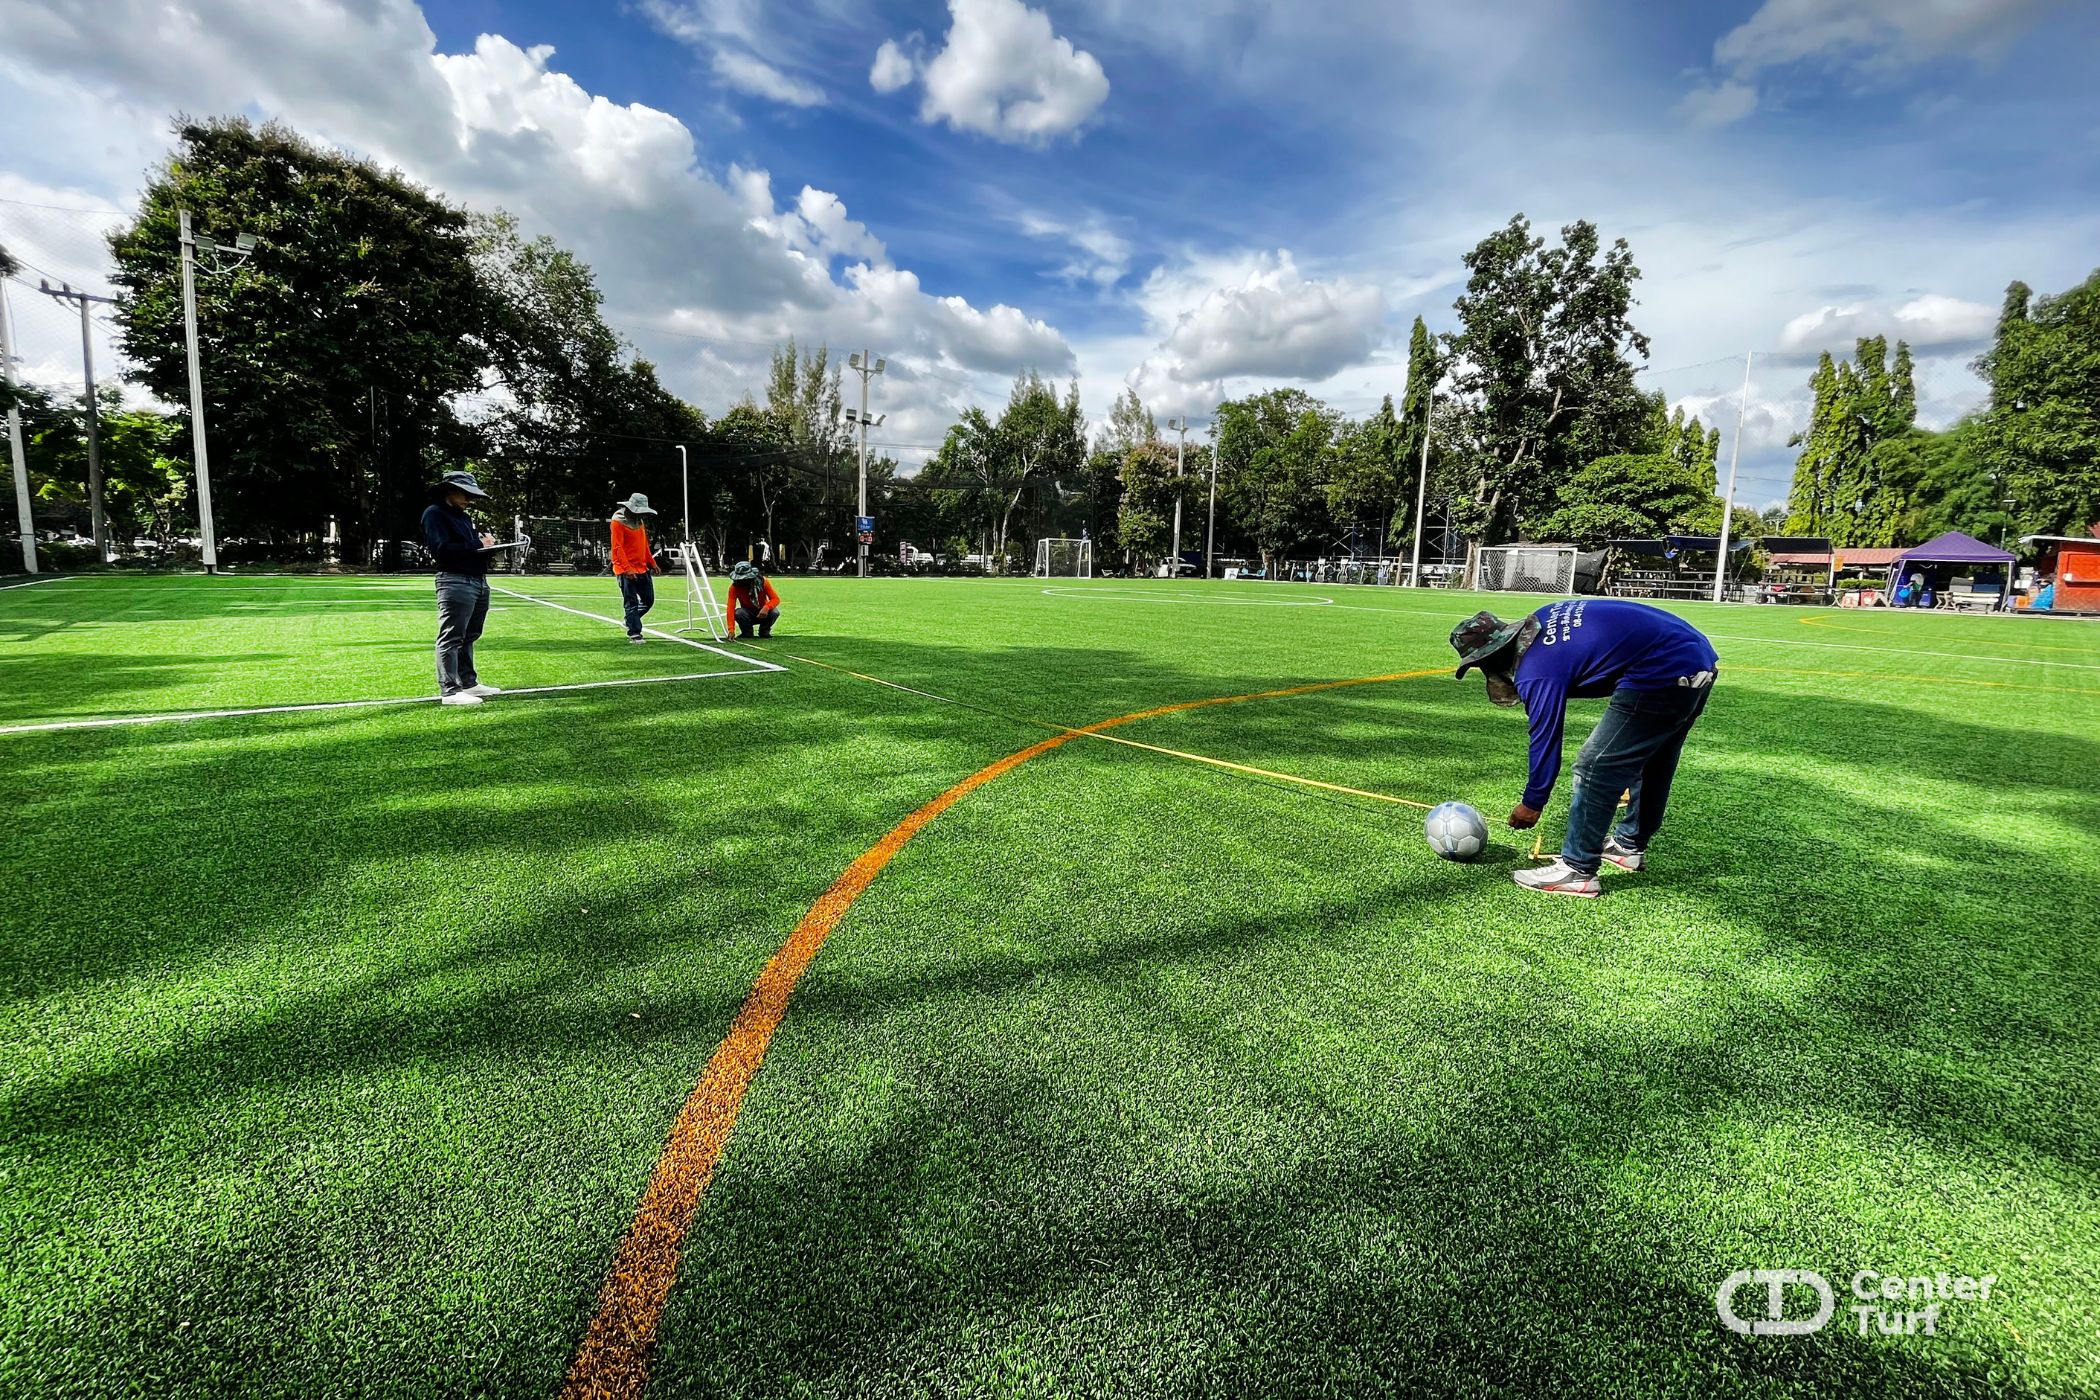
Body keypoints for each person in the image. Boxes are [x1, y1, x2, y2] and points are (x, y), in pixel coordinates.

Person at [1450, 599, 1719, 898]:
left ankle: (1577, 870)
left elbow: (1546, 736)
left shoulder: (1535, 669)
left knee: (1595, 766)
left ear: (1491, 656)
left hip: (1661, 668)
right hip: (1695, 653)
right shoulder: (1541, 620)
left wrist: (1532, 803)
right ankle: (1628, 846)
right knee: (1653, 758)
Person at [421, 469, 502, 706]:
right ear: (450, 491)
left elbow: (469, 549)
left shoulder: (464, 517)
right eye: (465, 494)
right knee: (452, 636)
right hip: (455, 580)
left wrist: (487, 549)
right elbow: (441, 550)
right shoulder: (434, 514)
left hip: (477, 579)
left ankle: (469, 683)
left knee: (470, 634)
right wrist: (479, 544)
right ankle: (450, 690)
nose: (469, 500)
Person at [610, 493, 661, 643]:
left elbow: (643, 544)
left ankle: (630, 620)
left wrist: (652, 563)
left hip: (642, 568)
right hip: (625, 570)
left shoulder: (640, 522)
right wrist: (627, 569)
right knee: (631, 602)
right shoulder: (617, 522)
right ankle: (635, 633)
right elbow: (617, 548)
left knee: (648, 600)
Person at [725, 560, 780, 639]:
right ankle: (747, 633)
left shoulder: (763, 582)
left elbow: (775, 599)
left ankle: (764, 631)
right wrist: (731, 630)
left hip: (763, 612)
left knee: (775, 612)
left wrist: (766, 607)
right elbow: (730, 608)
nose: (742, 581)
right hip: (747, 613)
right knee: (739, 613)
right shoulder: (734, 588)